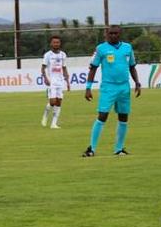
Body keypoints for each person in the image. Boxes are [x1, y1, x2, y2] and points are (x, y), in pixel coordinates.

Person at [83, 25, 141, 157]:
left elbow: (132, 66)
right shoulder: (101, 49)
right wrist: (88, 88)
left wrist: (137, 83)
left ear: (120, 34)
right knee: (102, 115)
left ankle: (119, 149)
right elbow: (93, 68)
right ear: (106, 34)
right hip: (108, 87)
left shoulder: (128, 48)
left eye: (115, 33)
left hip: (124, 87)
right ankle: (91, 148)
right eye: (110, 33)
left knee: (123, 117)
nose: (113, 36)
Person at [41, 36, 70, 129]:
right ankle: (45, 115)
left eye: (57, 42)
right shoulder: (47, 55)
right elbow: (43, 68)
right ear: (51, 43)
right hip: (51, 81)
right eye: (54, 42)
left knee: (59, 102)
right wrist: (45, 78)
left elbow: (64, 67)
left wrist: (67, 81)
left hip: (60, 81)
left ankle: (54, 124)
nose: (56, 44)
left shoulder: (63, 55)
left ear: (60, 43)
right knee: (52, 102)